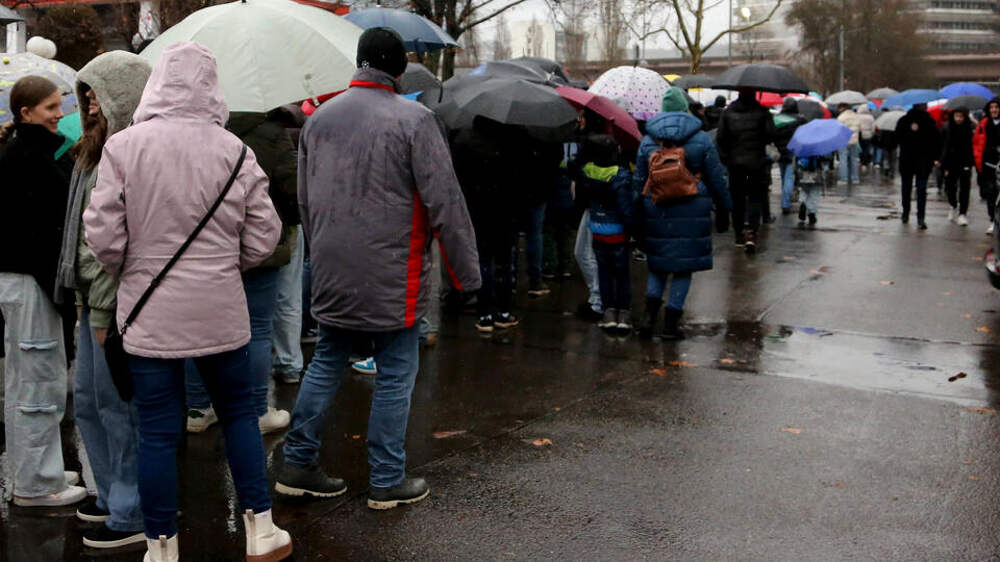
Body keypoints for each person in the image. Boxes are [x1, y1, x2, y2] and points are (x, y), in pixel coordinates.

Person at [83, 42, 289, 561]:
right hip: (220, 309)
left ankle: (161, 547)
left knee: (157, 430)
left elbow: (102, 234)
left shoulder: (123, 147)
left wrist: (131, 268)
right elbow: (265, 236)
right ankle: (261, 530)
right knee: (239, 416)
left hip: (148, 312)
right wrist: (225, 265)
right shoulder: (235, 151)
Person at [274, 28, 480, 509]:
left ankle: (298, 462)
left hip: (333, 267)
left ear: (359, 62)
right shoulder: (416, 120)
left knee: (327, 359)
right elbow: (445, 202)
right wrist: (467, 276)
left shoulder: (319, 121)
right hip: (393, 271)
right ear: (399, 69)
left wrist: (323, 251)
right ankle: (386, 478)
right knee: (395, 370)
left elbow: (306, 199)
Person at [54, 51, 150, 548]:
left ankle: (131, 510)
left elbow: (113, 242)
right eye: (84, 89)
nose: (88, 98)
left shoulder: (125, 152)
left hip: (111, 303)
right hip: (88, 296)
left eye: (97, 89)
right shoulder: (91, 151)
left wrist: (102, 309)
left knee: (117, 406)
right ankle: (110, 493)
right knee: (91, 402)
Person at [0, 75, 87, 508]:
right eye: (51, 107)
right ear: (26, 112)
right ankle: (36, 484)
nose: (60, 114)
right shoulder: (28, 156)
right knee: (37, 384)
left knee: (30, 379)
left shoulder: (24, 151)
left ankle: (36, 470)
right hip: (31, 281)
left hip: (26, 281)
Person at [185, 107, 299, 435]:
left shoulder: (197, 133)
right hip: (261, 246)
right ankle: (256, 410)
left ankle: (198, 408)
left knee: (198, 328)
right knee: (258, 329)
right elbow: (294, 190)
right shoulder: (273, 135)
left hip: (206, 247)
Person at [635, 88, 731, 340]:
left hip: (656, 206)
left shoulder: (648, 140)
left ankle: (648, 319)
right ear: (684, 109)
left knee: (658, 264)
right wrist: (724, 208)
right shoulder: (701, 138)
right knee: (683, 267)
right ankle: (670, 324)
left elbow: (639, 180)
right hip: (692, 206)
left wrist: (636, 210)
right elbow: (717, 178)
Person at [453, 117, 520, 333]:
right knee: (504, 262)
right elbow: (519, 176)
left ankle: (484, 314)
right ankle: (504, 311)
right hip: (505, 209)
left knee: (482, 260)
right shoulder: (511, 139)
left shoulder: (463, 140)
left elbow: (457, 175)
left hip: (476, 209)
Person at [573, 134, 634, 333]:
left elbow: (574, 169)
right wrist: (633, 229)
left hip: (598, 230)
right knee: (621, 274)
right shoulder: (620, 176)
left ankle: (608, 313)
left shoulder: (587, 173)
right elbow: (625, 208)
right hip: (618, 232)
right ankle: (623, 313)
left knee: (604, 272)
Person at [716, 88, 774, 253]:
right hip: (756, 164)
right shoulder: (762, 112)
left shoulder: (728, 113)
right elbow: (771, 135)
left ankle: (739, 233)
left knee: (737, 199)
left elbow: (721, 138)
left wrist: (726, 159)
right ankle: (752, 232)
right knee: (755, 197)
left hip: (735, 165)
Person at [895, 103, 941, 230]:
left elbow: (897, 138)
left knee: (907, 188)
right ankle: (920, 217)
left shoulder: (904, 120)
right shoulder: (930, 121)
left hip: (908, 160)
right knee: (921, 190)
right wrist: (935, 157)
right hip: (923, 161)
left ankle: (906, 213)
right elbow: (936, 141)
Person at [937, 106, 975, 227]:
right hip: (950, 162)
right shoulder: (946, 127)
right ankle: (953, 205)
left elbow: (973, 145)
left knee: (965, 188)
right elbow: (941, 145)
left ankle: (962, 213)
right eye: (956, 116)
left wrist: (971, 162)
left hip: (965, 162)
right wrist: (940, 161)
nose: (958, 119)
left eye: (961, 116)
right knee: (950, 187)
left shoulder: (970, 128)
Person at [773, 98, 808, 215]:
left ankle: (785, 198)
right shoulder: (800, 119)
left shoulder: (777, 118)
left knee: (784, 177)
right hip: (793, 151)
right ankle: (786, 203)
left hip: (779, 151)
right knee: (789, 177)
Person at [973, 97, 1000, 234]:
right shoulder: (984, 124)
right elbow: (977, 142)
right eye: (991, 108)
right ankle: (992, 220)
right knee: (990, 194)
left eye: (996, 107)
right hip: (988, 164)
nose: (994, 110)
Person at [836, 103, 862, 184]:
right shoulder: (856, 116)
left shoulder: (841, 117)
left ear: (843, 108)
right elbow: (860, 128)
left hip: (843, 141)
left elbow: (838, 130)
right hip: (854, 141)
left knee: (843, 160)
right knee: (854, 159)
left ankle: (844, 179)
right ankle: (855, 178)